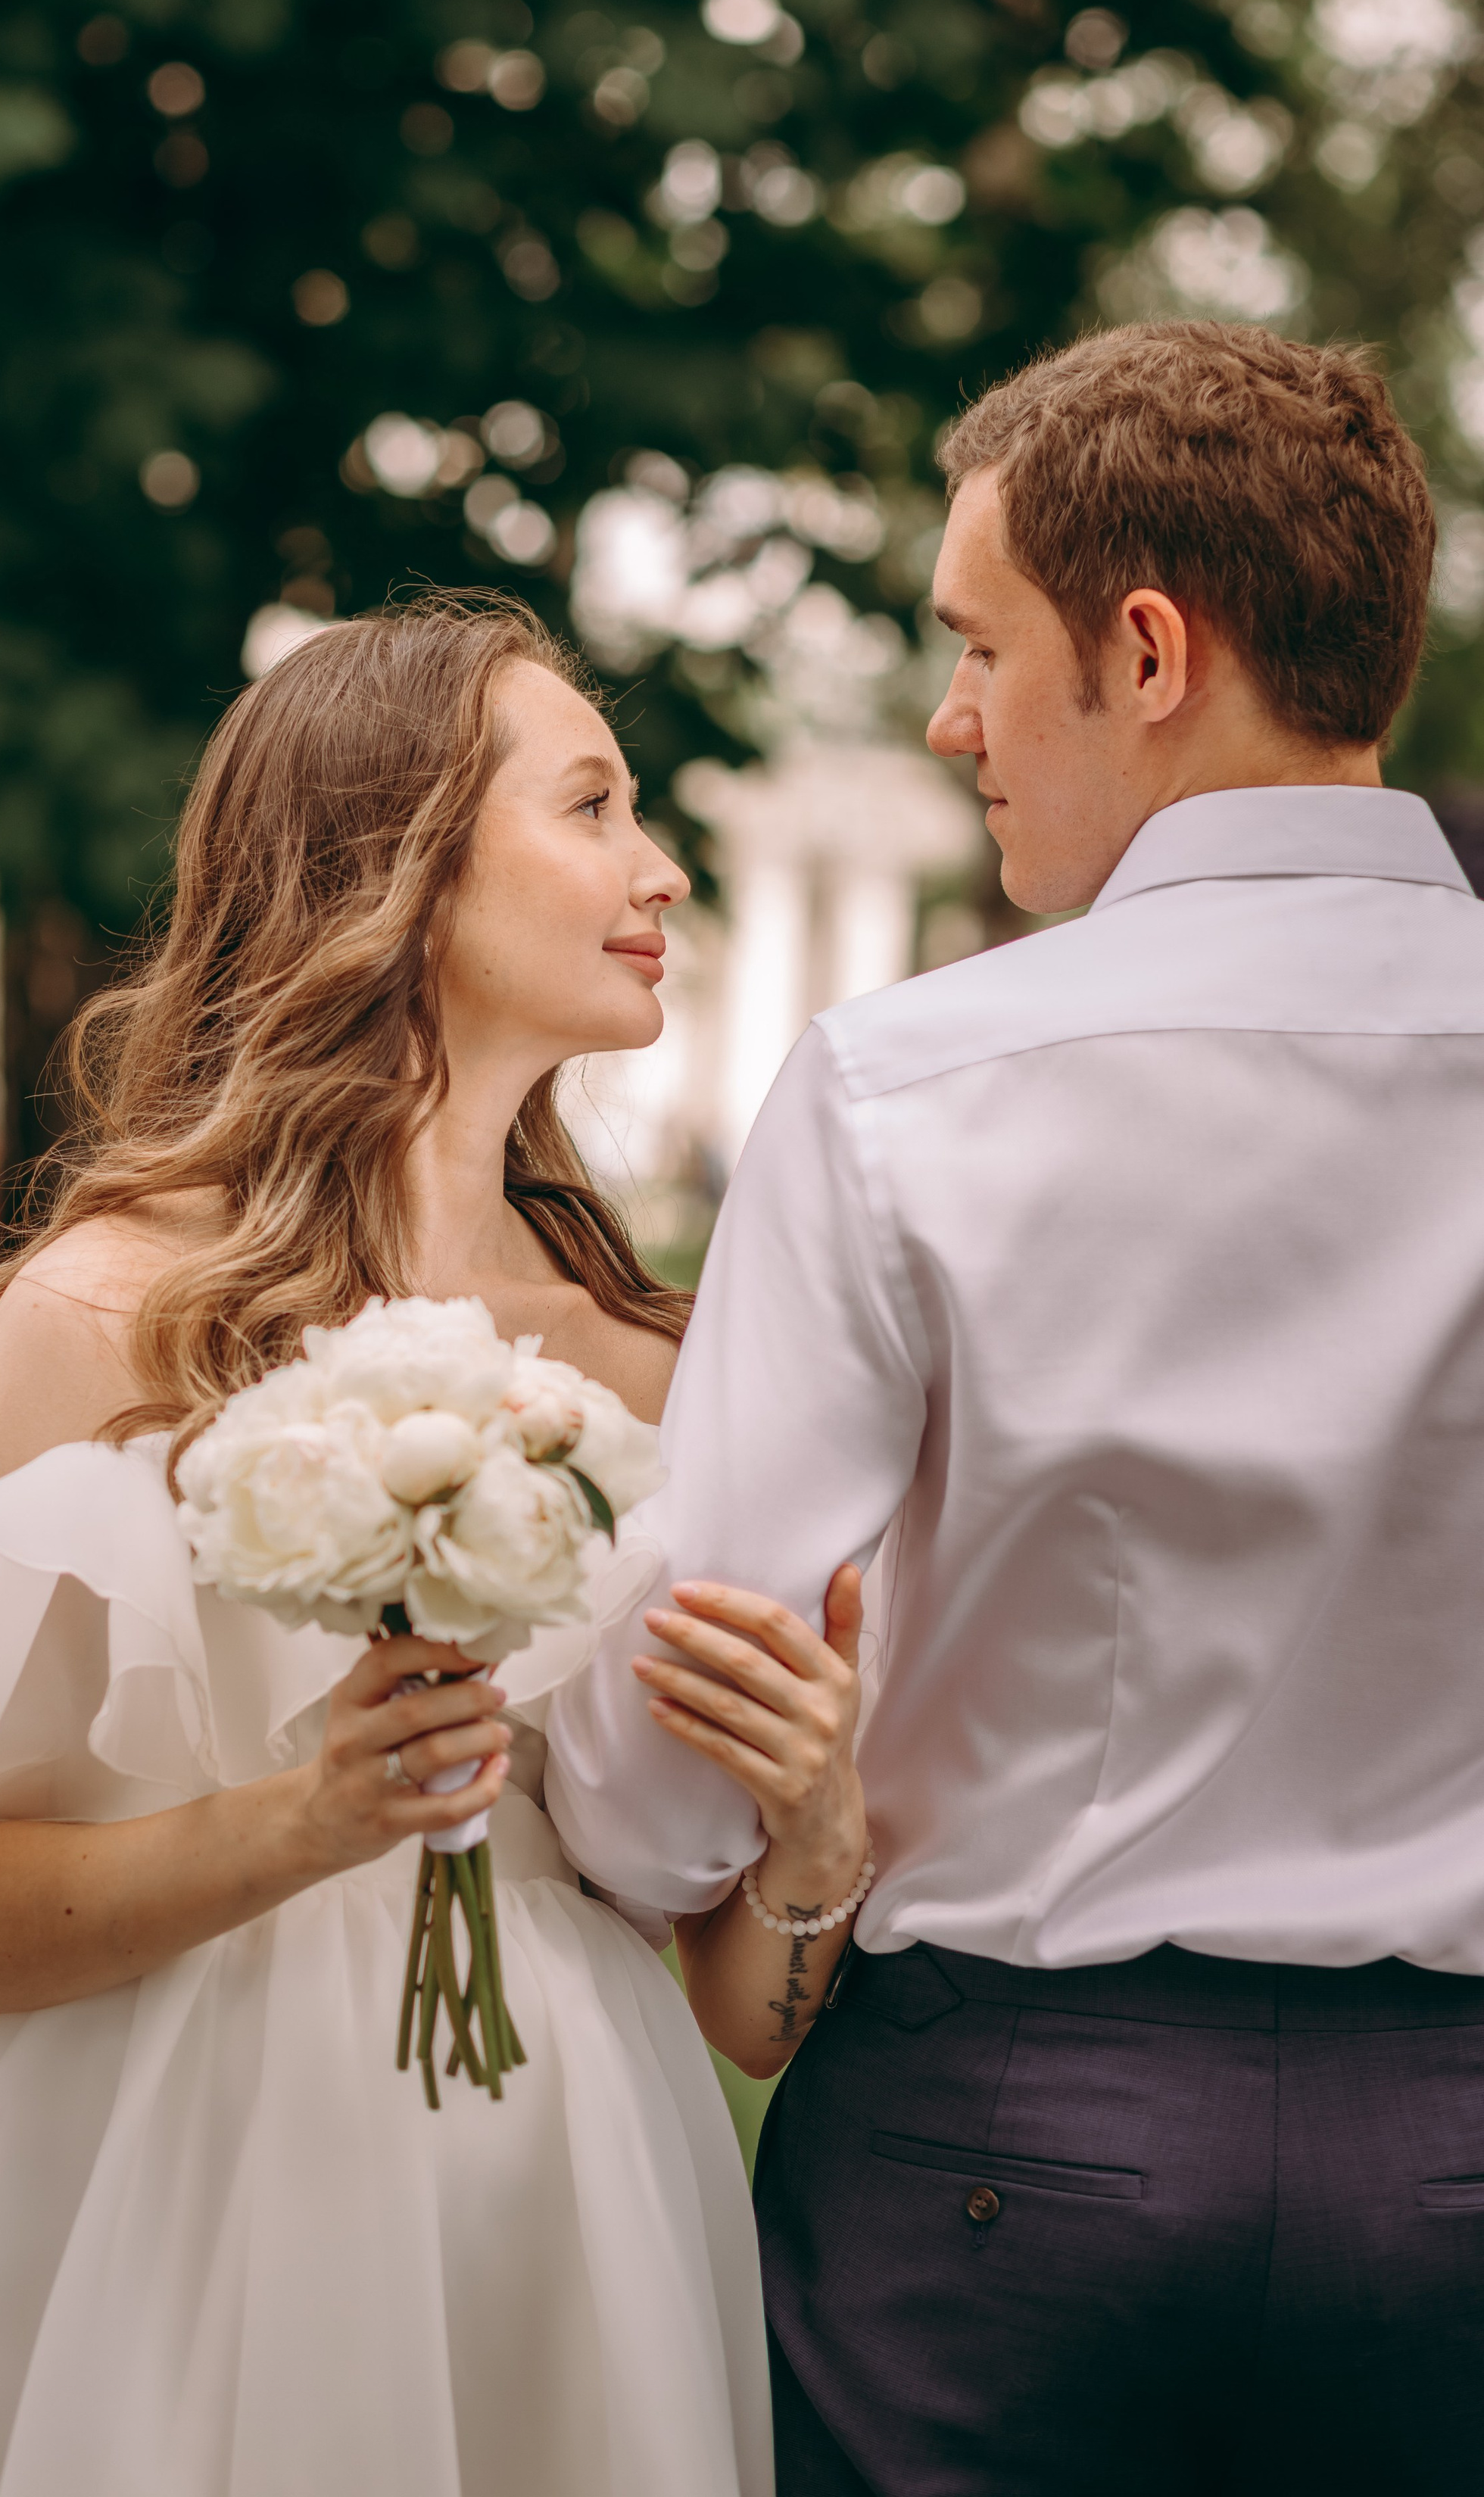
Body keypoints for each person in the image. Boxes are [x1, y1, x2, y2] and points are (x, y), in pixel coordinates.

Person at [0, 594, 816, 2497]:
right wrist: (308, 1820)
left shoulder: (661, 1361)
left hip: (559, 2196)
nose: (658, 867)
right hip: (161, 2189)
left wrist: (814, 1834)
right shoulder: (118, 1314)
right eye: (592, 805)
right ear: (401, 869)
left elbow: (739, 2013)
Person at [545, 323, 1484, 2497]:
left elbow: (688, 1729)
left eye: (978, 646)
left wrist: (630, 1824)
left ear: (1146, 652)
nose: (948, 719)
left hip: (1003, 2160)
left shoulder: (907, 1085)